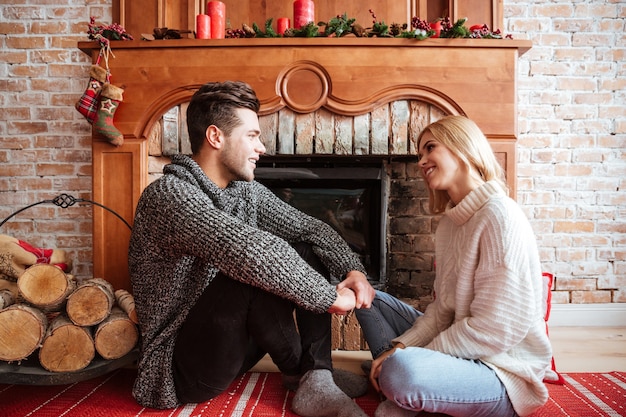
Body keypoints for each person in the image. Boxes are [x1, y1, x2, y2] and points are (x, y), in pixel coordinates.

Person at [128, 80, 376, 417]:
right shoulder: (168, 196)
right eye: (252, 135)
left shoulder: (244, 192)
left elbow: (311, 228)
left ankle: (316, 374)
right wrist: (330, 297)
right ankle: (307, 376)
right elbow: (251, 251)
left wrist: (354, 270)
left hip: (228, 349)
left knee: (305, 246)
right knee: (251, 267)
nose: (260, 148)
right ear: (216, 137)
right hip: (178, 369)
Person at [355, 115, 553, 417]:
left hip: (501, 370)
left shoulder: (501, 215)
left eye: (430, 148)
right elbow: (442, 311)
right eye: (420, 154)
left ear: (464, 146)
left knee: (401, 372)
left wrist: (409, 356)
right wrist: (402, 348)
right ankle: (408, 382)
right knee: (367, 298)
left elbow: (496, 329)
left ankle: (400, 381)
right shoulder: (450, 224)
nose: (421, 161)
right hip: (461, 345)